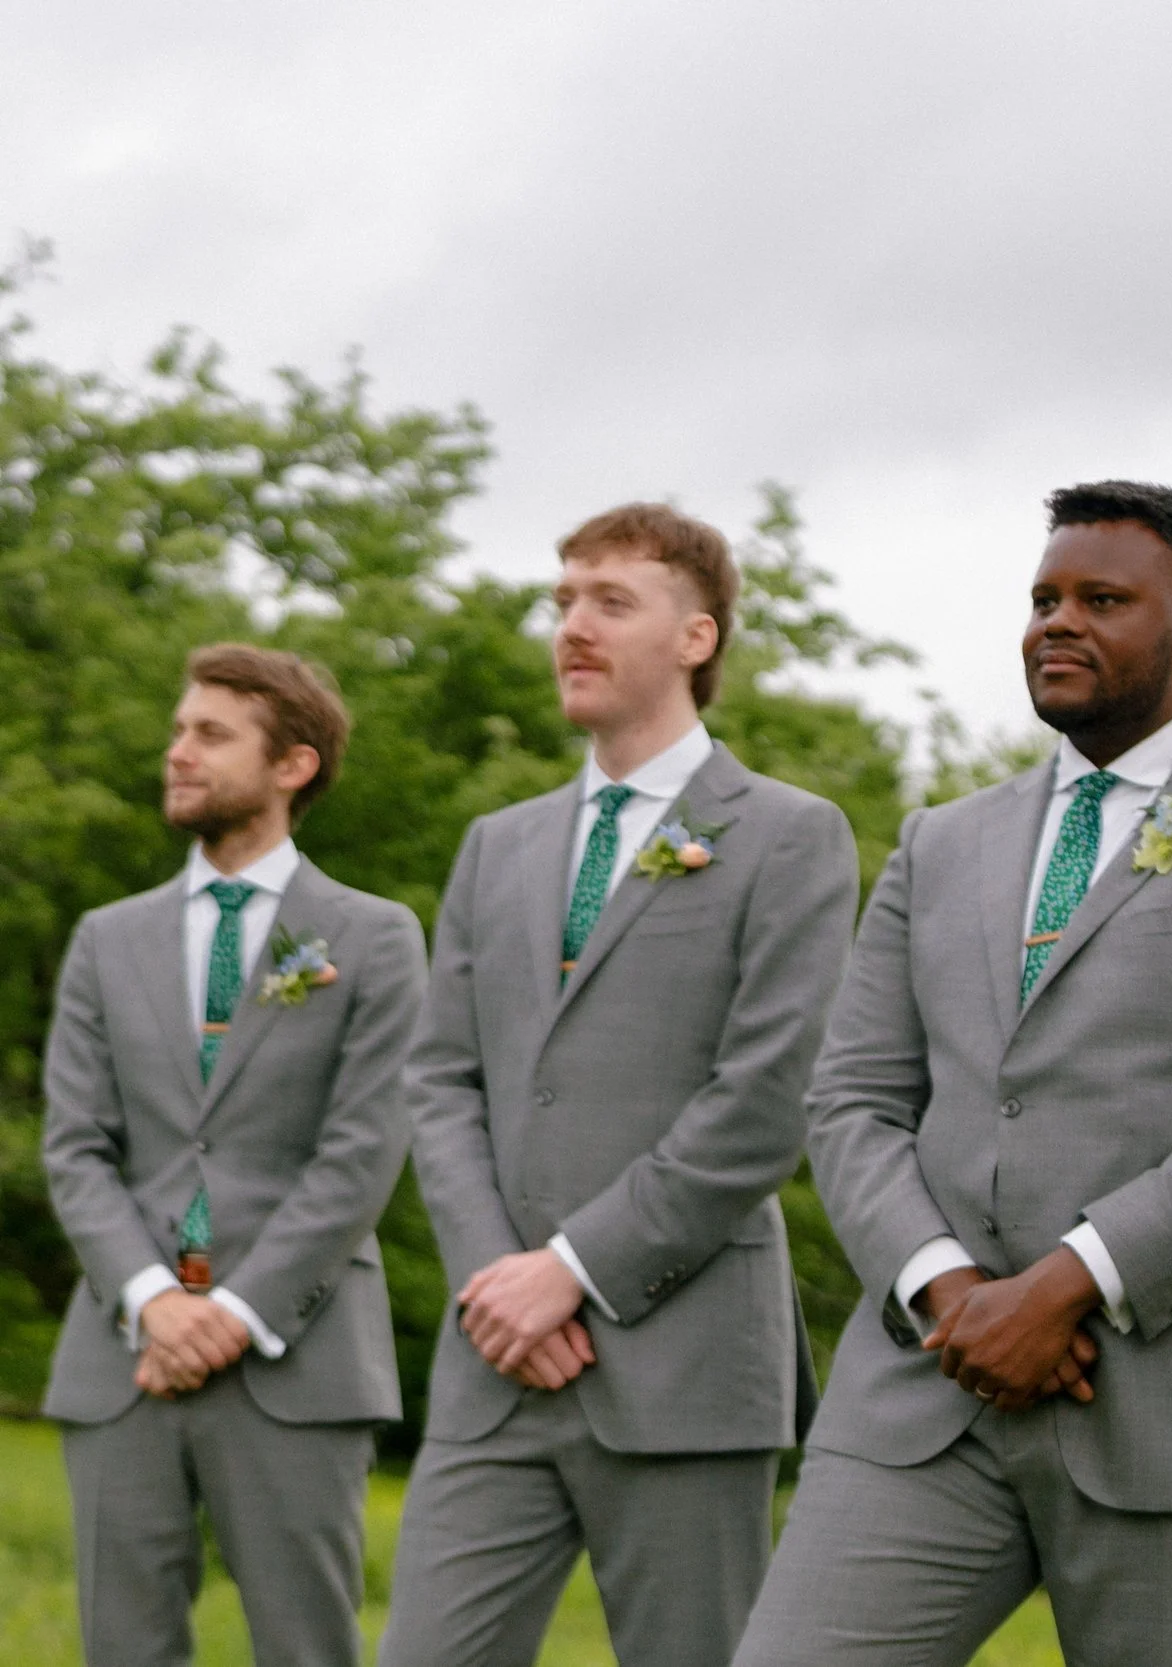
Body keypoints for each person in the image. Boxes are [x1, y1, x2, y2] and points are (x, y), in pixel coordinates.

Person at [734, 481, 1172, 1667]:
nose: (1058, 621)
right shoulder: (943, 840)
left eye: (1103, 599)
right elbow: (851, 1097)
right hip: (927, 1394)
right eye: (1044, 597)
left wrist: (1062, 1287)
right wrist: (949, 1293)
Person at [379, 503, 857, 1667]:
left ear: (696, 636)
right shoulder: (499, 841)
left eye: (610, 600)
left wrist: (572, 1270)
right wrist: (503, 1283)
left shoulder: (792, 835)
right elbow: (440, 1079)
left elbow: (763, 1101)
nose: (571, 626)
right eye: (562, 602)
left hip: (683, 1367)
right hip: (496, 1366)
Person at [42, 643, 426, 1667]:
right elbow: (75, 1144)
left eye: (210, 733)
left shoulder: (376, 936)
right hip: (124, 1357)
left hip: (295, 1357)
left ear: (293, 764)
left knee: (308, 1647)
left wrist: (236, 1312)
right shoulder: (105, 939)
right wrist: (154, 1299)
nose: (178, 751)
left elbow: (362, 1147)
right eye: (178, 730)